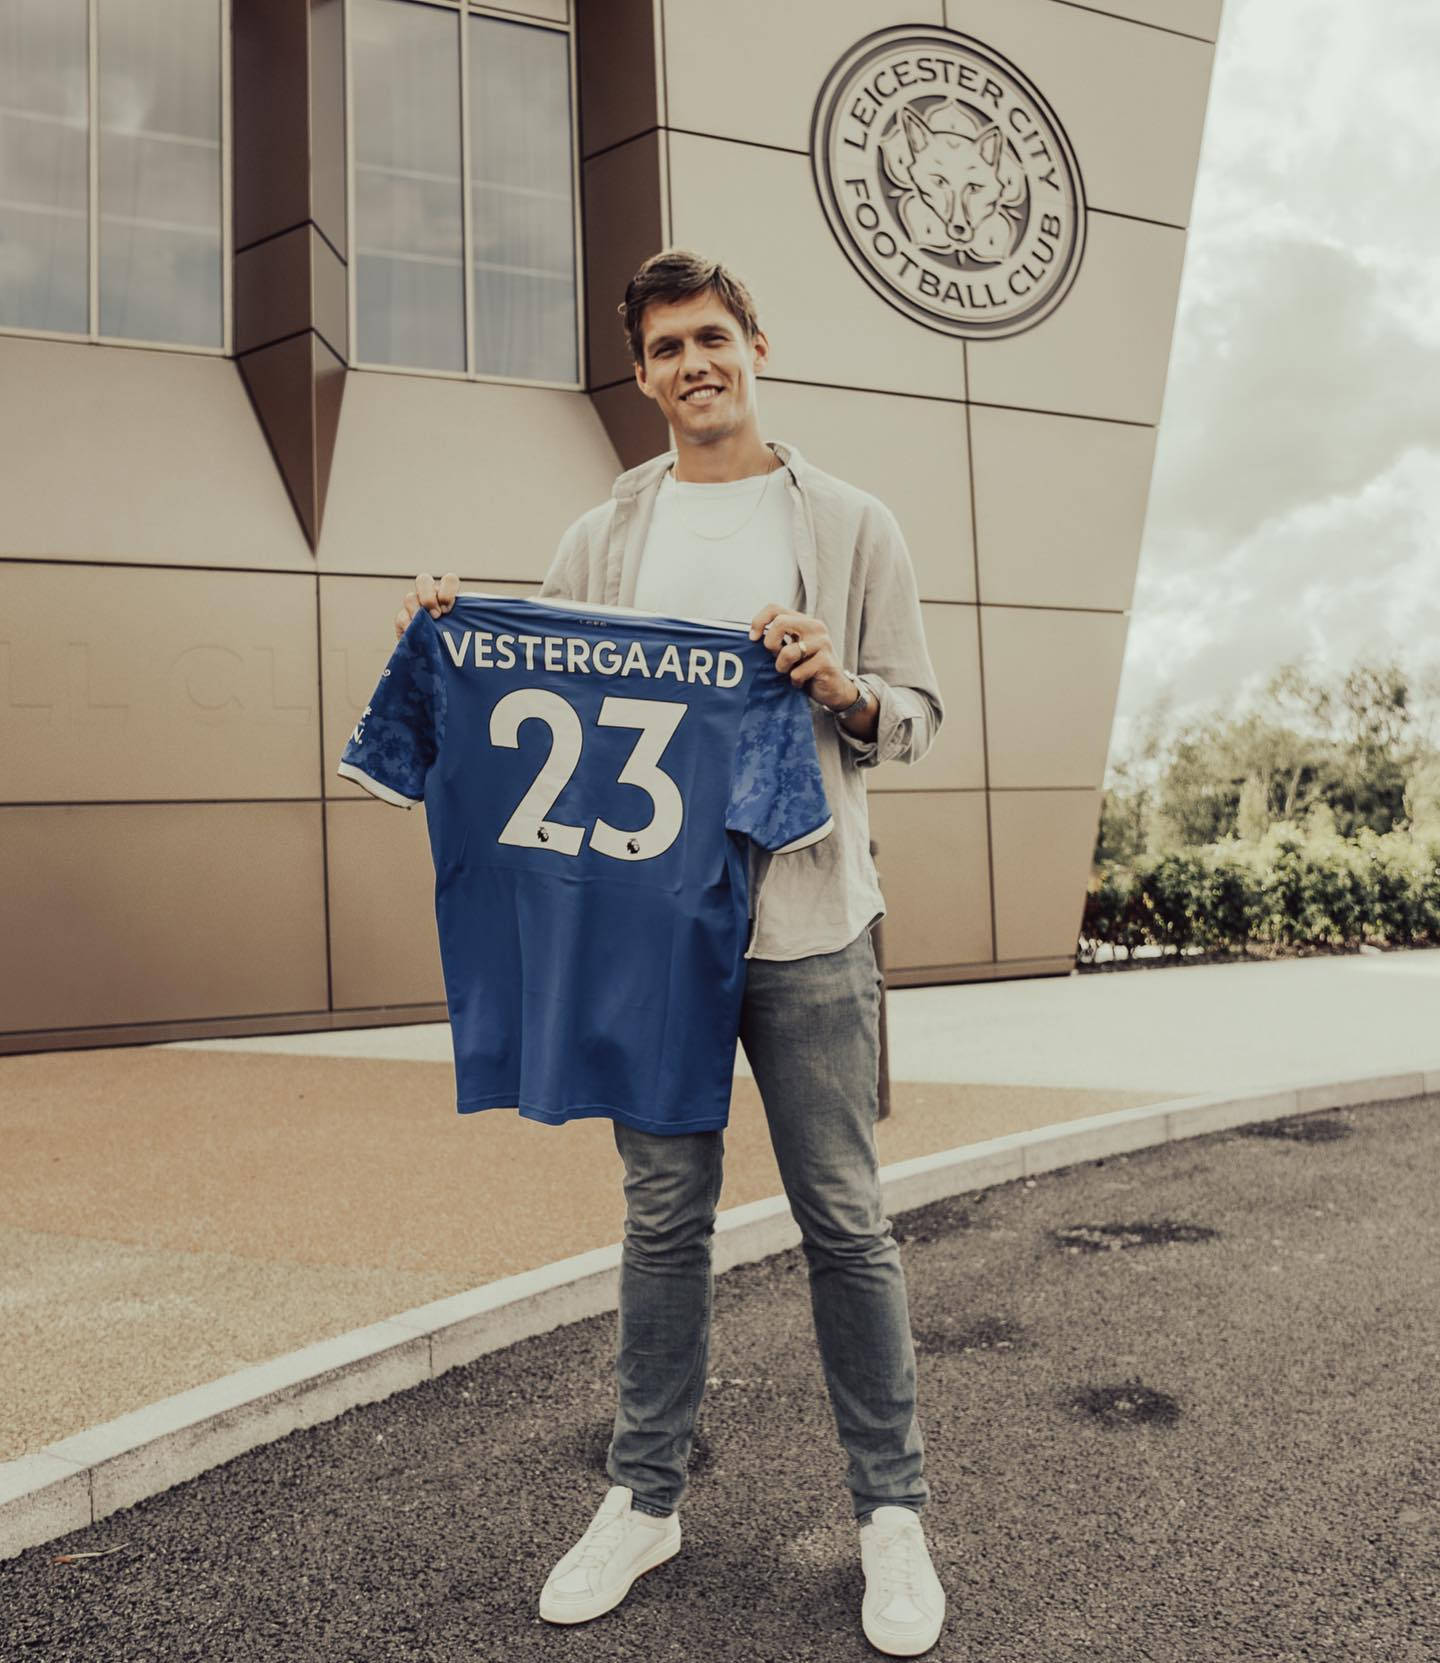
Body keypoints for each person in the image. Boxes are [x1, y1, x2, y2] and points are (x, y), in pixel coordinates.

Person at [394, 249, 947, 1657]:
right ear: (640, 375)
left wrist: (848, 687)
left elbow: (923, 712)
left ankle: (892, 1512)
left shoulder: (854, 521)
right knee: (659, 1226)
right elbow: (545, 693)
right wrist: (453, 639)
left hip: (813, 928)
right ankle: (644, 1499)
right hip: (647, 942)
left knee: (846, 1220)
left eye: (712, 335)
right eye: (665, 347)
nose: (692, 363)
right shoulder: (601, 539)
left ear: (755, 343)